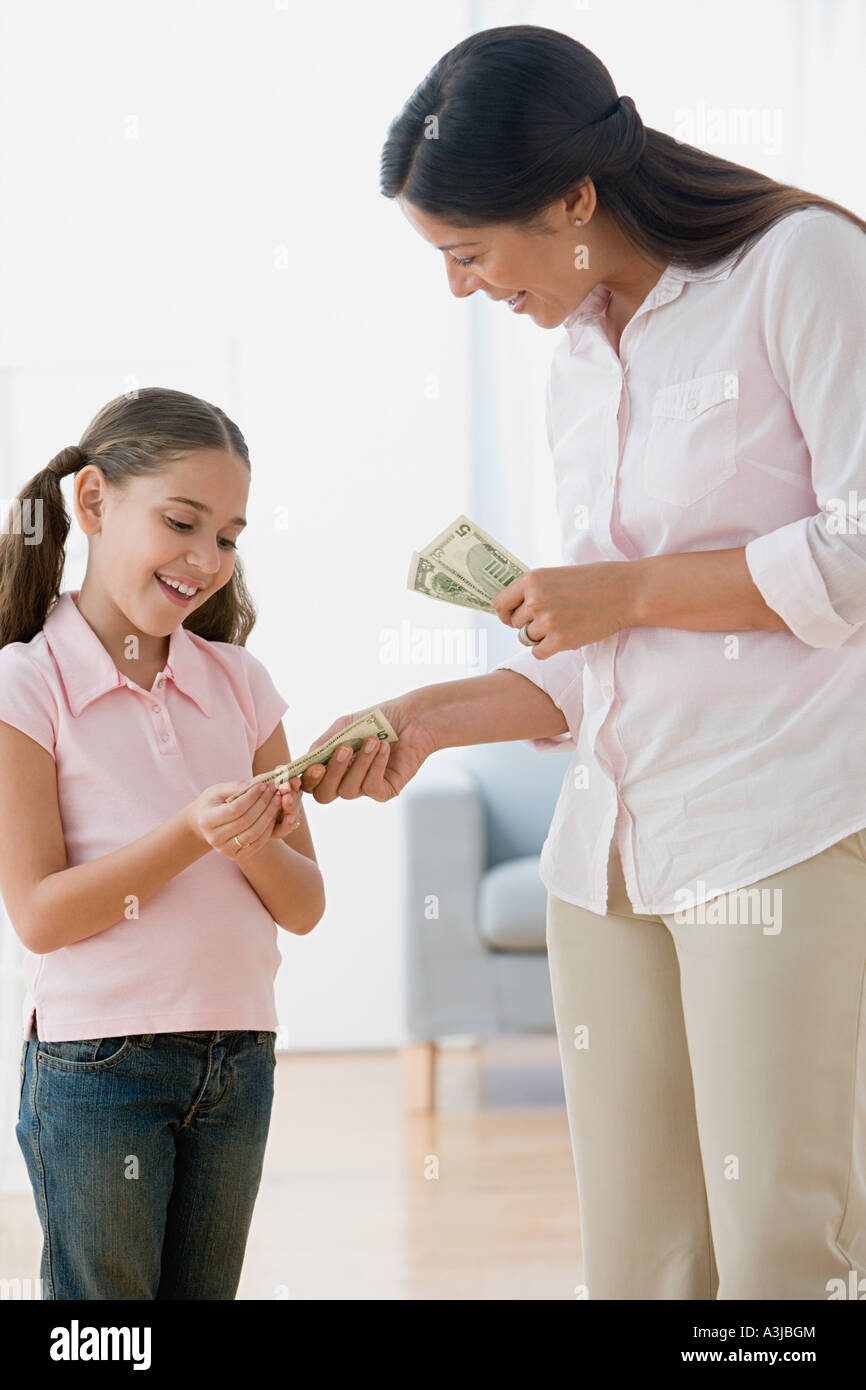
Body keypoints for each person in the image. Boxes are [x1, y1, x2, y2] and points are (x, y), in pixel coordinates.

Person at [293, 25, 866, 1300]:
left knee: (779, 1240)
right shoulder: (570, 362)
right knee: (640, 1264)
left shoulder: (801, 267)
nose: (459, 289)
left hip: (772, 825)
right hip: (600, 856)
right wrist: (423, 715)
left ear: (570, 198)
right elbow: (592, 654)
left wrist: (625, 588)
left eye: (464, 254)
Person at [0, 386, 324, 1299]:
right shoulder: (27, 684)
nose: (206, 558)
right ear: (94, 502)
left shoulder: (242, 684)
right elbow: (39, 914)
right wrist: (190, 833)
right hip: (100, 1066)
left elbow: (304, 905)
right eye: (182, 522)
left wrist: (249, 837)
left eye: (228, 536)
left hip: (238, 1058)